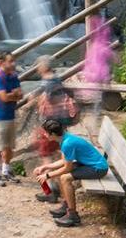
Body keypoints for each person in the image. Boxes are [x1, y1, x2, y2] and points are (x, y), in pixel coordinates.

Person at [21, 56, 76, 202]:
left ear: (44, 67)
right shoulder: (56, 79)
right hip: (58, 123)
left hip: (50, 124)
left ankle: (51, 190)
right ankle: (54, 186)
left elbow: (46, 97)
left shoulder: (48, 81)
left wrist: (30, 102)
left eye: (39, 65)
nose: (38, 68)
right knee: (50, 152)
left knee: (45, 154)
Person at [38, 117, 109, 227]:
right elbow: (64, 161)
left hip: (98, 168)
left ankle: (73, 216)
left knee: (65, 178)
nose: (44, 135)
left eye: (46, 133)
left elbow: (67, 168)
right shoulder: (64, 138)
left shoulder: (67, 143)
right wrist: (46, 166)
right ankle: (66, 205)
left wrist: (48, 175)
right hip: (89, 163)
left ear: (52, 133)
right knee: (60, 174)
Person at [0, 52, 24, 186]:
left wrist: (12, 96)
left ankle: (6, 171)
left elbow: (20, 95)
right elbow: (3, 98)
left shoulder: (13, 76)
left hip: (10, 115)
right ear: (2, 62)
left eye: (14, 60)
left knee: (9, 146)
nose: (13, 63)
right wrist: (13, 95)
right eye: (10, 61)